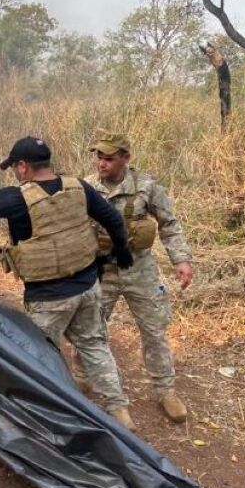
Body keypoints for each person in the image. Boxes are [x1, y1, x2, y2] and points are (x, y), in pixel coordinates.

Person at [0, 136, 138, 431]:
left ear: (24, 166)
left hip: (50, 297)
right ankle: (119, 410)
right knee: (95, 346)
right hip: (88, 288)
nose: (15, 173)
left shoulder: (18, 198)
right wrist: (121, 252)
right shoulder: (79, 187)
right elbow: (114, 220)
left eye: (14, 167)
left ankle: (46, 418)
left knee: (35, 358)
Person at [84, 130, 193, 423]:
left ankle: (165, 391)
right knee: (91, 332)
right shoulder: (86, 188)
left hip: (139, 271)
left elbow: (169, 223)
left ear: (125, 158)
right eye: (98, 158)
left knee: (155, 331)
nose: (101, 164)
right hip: (102, 271)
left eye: (108, 159)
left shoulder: (146, 187)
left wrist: (180, 260)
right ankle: (81, 382)